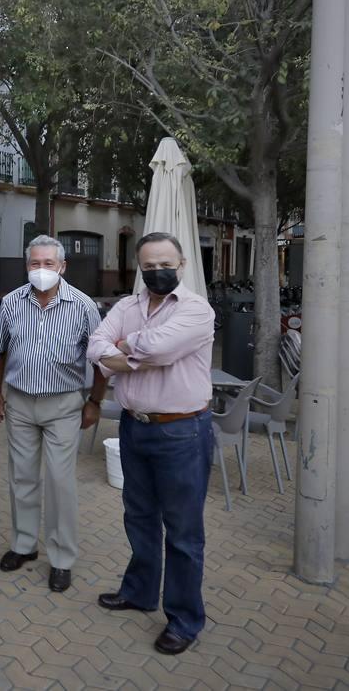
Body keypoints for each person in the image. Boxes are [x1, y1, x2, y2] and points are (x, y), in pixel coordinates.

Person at [87, 232, 215, 656]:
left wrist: (123, 348)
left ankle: (184, 619)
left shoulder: (196, 309)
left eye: (165, 264)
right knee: (138, 517)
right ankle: (140, 592)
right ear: (139, 267)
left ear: (181, 265)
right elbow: (94, 346)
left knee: (182, 532)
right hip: (134, 426)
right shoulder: (127, 305)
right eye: (149, 265)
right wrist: (125, 350)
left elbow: (158, 350)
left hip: (181, 432)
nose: (157, 271)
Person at [0, 235, 105, 593]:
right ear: (27, 266)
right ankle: (24, 545)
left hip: (64, 404)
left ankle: (62, 558)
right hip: (20, 402)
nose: (41, 270)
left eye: (48, 264)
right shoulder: (10, 303)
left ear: (62, 267)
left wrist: (95, 401)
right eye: (34, 264)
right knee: (21, 477)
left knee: (59, 481)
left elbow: (100, 359)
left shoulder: (83, 306)